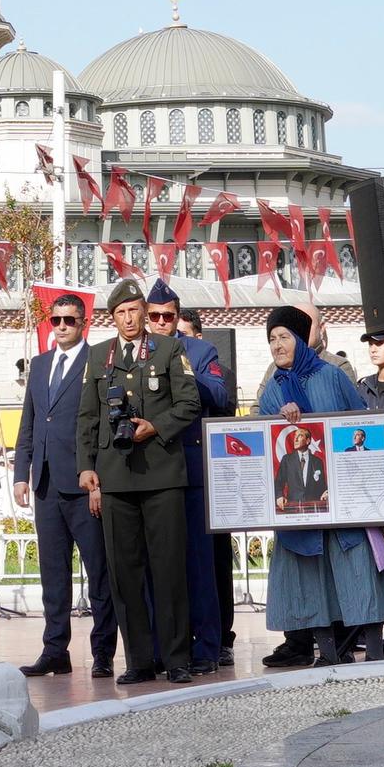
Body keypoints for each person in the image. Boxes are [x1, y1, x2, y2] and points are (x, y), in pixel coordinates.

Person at [75, 275, 201, 681]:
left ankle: (177, 659)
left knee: (168, 571)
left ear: (145, 313)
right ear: (112, 318)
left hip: (162, 475)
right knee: (124, 574)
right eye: (120, 313)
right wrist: (86, 466)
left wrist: (155, 427)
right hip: (116, 477)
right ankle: (140, 660)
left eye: (133, 311)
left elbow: (189, 403)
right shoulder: (99, 357)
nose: (128, 319)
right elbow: (87, 417)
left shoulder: (168, 348)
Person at [249, 305, 378, 668]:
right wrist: (278, 423)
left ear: (301, 340)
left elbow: (361, 422)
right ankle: (328, 652)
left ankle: (372, 647)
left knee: (356, 573)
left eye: (284, 337)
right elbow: (262, 435)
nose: (277, 345)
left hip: (343, 498)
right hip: (301, 503)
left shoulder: (332, 375)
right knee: (311, 579)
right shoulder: (273, 389)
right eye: (271, 339)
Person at [8, 289, 110, 680]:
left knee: (99, 573)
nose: (63, 326)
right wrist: (22, 473)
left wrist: (99, 480)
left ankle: (102, 652)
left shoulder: (97, 360)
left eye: (70, 320)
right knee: (53, 574)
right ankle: (55, 650)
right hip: (46, 484)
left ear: (83, 323)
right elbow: (30, 422)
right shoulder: (39, 365)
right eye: (57, 320)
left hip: (84, 484)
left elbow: (99, 425)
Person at [158, 285, 240, 667]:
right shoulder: (133, 350)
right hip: (149, 473)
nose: (160, 323)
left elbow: (221, 396)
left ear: (177, 317)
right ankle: (163, 650)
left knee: (199, 564)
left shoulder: (200, 351)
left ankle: (207, 647)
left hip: (191, 470)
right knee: (158, 567)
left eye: (167, 316)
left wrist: (184, 371)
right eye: (154, 316)